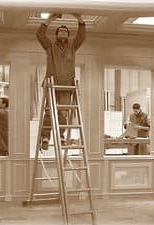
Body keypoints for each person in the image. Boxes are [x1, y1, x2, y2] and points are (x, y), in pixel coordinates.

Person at [36, 12, 86, 150]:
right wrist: (48, 20)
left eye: (65, 31)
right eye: (61, 31)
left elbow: (81, 36)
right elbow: (40, 35)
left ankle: (61, 135)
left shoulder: (72, 47)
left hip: (67, 86)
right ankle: (45, 137)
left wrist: (79, 19)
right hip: (52, 83)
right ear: (57, 34)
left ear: (68, 35)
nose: (63, 32)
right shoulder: (50, 47)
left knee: (63, 112)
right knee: (48, 111)